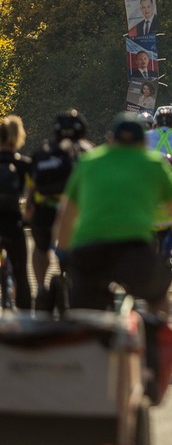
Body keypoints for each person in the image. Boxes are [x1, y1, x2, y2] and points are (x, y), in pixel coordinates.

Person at [54, 112, 172, 315]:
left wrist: (63, 253)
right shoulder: (154, 164)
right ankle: (155, 332)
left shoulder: (88, 162)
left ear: (110, 140)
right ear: (143, 142)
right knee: (158, 299)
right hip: (134, 250)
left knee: (84, 314)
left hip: (89, 249)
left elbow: (66, 215)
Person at [26, 110, 93, 304]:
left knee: (40, 248)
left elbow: (32, 183)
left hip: (45, 208)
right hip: (77, 212)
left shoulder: (43, 151)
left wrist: (29, 206)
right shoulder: (89, 151)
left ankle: (40, 288)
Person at [0, 116, 32, 311]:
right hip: (13, 223)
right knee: (21, 274)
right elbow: (33, 197)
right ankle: (25, 314)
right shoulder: (24, 165)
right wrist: (28, 218)